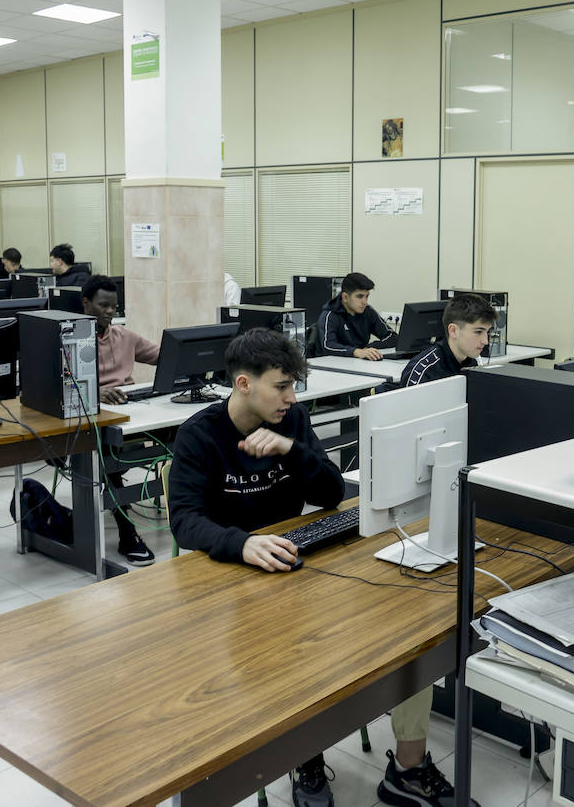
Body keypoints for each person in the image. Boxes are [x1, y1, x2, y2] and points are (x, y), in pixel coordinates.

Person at [169, 329, 470, 807]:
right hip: (230, 573)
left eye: (294, 386)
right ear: (244, 384)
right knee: (290, 657)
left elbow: (330, 493)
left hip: (296, 562)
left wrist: (291, 450)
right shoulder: (200, 433)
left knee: (405, 633)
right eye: (281, 386)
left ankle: (407, 770)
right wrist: (241, 544)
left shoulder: (292, 420)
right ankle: (303, 758)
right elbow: (184, 522)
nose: (291, 397)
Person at [81, 274, 159, 565]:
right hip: (91, 421)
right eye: (104, 306)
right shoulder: (67, 339)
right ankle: (128, 532)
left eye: (114, 307)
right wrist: (97, 392)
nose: (111, 312)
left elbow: (164, 355)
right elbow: (58, 386)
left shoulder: (124, 336)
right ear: (86, 303)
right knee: (106, 455)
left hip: (131, 414)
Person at [390, 293, 495, 390]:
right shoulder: (424, 371)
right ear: (453, 331)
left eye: (487, 332)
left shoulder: (471, 363)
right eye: (478, 332)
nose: (485, 341)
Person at [316, 271, 393, 360]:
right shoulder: (330, 315)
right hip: (331, 366)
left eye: (367, 296)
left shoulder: (368, 311)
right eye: (360, 296)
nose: (365, 302)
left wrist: (369, 348)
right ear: (345, 297)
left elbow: (392, 337)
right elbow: (328, 346)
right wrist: (356, 352)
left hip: (358, 364)